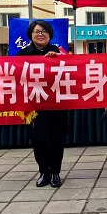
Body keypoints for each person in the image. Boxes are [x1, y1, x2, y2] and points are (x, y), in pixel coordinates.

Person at [17, 20, 67, 188]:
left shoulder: (59, 52)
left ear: (50, 34)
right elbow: (17, 78)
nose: (40, 34)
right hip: (34, 105)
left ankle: (55, 173)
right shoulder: (23, 54)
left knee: (56, 139)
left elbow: (71, 74)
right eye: (37, 31)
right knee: (38, 140)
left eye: (44, 31)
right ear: (30, 35)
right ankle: (43, 172)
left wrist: (58, 60)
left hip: (56, 104)